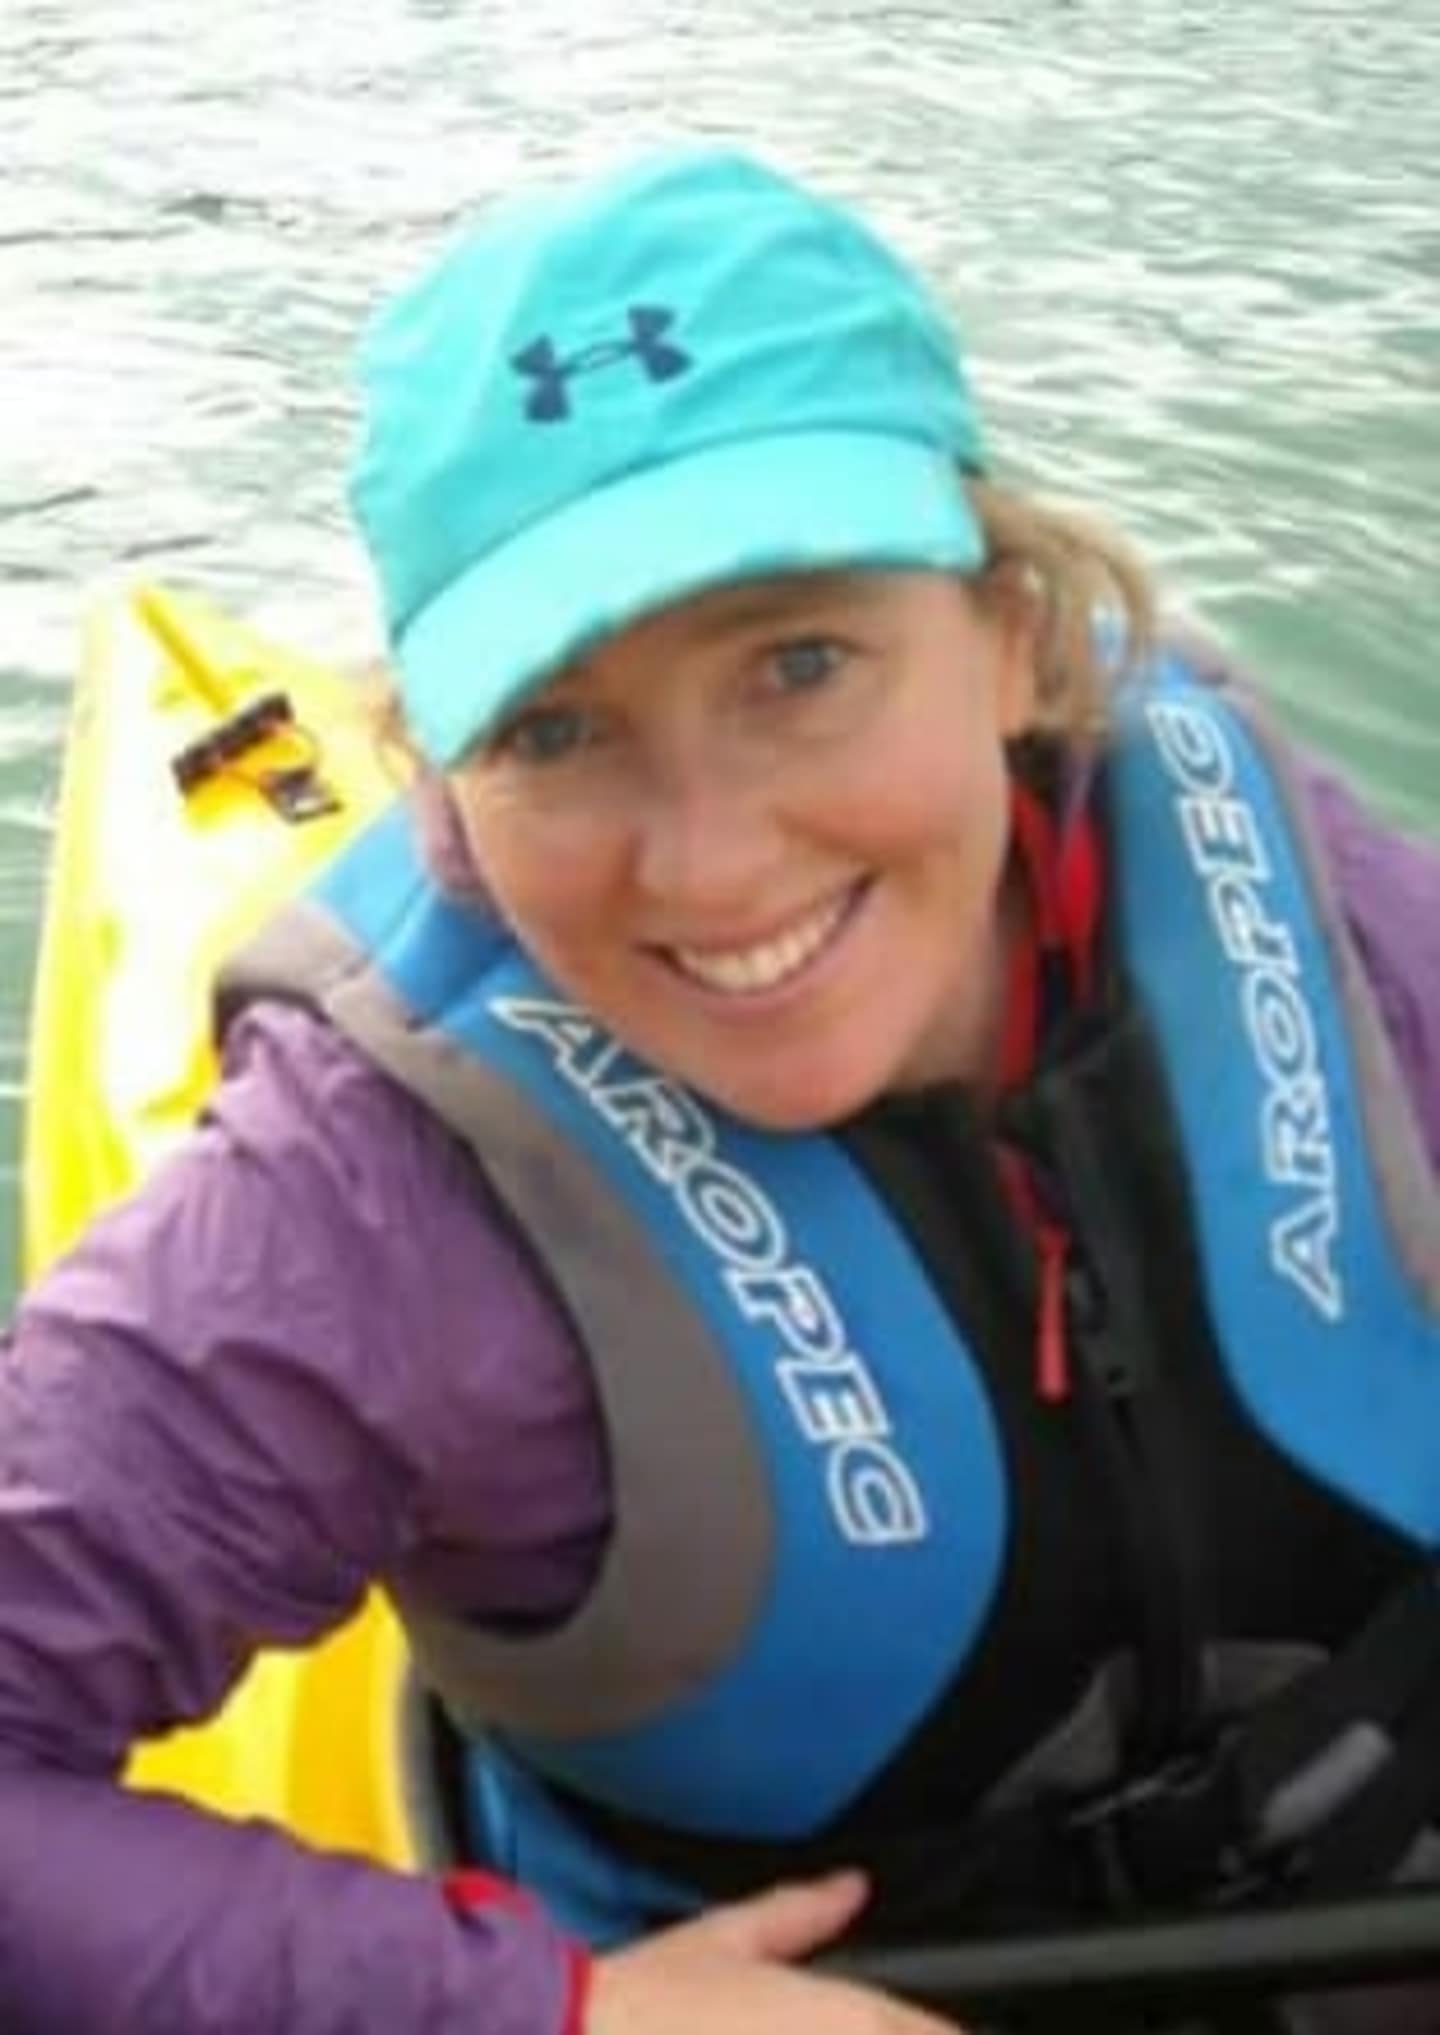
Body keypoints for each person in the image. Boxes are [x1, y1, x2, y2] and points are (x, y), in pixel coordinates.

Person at [1, 143, 1437, 2035]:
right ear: (435, 786)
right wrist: (541, 2018)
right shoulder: (359, 1198)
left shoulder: (1269, 872)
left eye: (804, 663)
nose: (710, 864)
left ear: (1012, 634)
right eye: (557, 731)